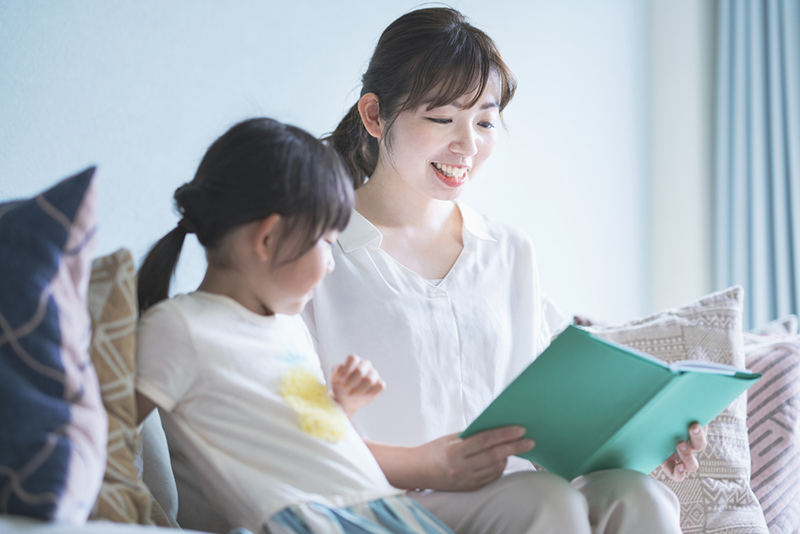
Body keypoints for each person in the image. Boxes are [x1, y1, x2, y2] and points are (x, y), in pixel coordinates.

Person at [303, 7, 707, 534]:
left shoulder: (509, 251)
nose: (467, 145)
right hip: (382, 507)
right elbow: (286, 426)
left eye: (486, 121)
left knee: (638, 496)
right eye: (442, 118)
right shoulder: (314, 254)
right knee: (542, 501)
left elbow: (560, 411)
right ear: (375, 116)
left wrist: (639, 443)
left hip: (518, 499)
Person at [133, 117, 457, 534]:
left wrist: (339, 406)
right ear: (268, 239)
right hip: (318, 519)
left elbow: (291, 436)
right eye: (325, 241)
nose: (331, 261)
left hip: (381, 507)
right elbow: (107, 430)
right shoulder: (180, 328)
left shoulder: (287, 325)